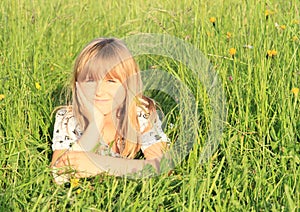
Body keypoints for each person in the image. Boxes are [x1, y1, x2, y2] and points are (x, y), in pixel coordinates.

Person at [50, 38, 169, 184]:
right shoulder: (68, 118)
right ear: (77, 84)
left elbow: (162, 167)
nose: (99, 91)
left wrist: (101, 165)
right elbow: (58, 176)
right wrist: (94, 125)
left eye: (111, 81)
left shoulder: (139, 113)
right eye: (90, 80)